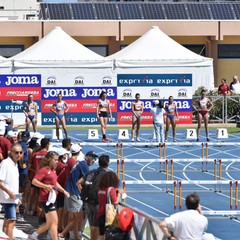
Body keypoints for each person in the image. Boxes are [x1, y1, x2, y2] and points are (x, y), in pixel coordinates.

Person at [28, 151, 69, 240]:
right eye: (55, 160)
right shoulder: (44, 170)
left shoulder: (52, 170)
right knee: (55, 222)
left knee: (49, 223)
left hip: (52, 199)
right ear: (49, 160)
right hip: (46, 199)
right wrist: (45, 186)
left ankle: (33, 236)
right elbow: (34, 181)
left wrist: (63, 191)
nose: (57, 162)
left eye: (57, 160)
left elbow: (55, 183)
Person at [58, 148, 98, 240]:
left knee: (72, 216)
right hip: (75, 193)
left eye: (95, 159)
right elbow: (87, 182)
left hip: (69, 191)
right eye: (92, 158)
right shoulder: (84, 166)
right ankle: (62, 234)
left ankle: (73, 235)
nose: (93, 160)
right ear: (87, 157)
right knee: (77, 217)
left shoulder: (79, 163)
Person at [77, 154, 110, 240]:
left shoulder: (91, 172)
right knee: (96, 226)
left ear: (98, 163)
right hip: (97, 203)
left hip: (88, 202)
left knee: (92, 224)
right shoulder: (106, 175)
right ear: (108, 164)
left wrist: (83, 194)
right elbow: (110, 189)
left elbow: (79, 183)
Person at [0, 143, 23, 239]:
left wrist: (18, 198)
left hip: (13, 198)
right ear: (11, 153)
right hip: (7, 198)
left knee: (7, 222)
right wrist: (9, 192)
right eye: (16, 152)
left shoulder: (15, 164)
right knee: (12, 221)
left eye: (20, 152)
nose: (18, 155)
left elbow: (14, 184)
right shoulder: (5, 164)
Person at [97, 171, 123, 240]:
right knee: (109, 234)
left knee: (102, 235)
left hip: (100, 214)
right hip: (108, 215)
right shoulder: (111, 189)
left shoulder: (100, 188)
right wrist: (119, 194)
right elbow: (115, 202)